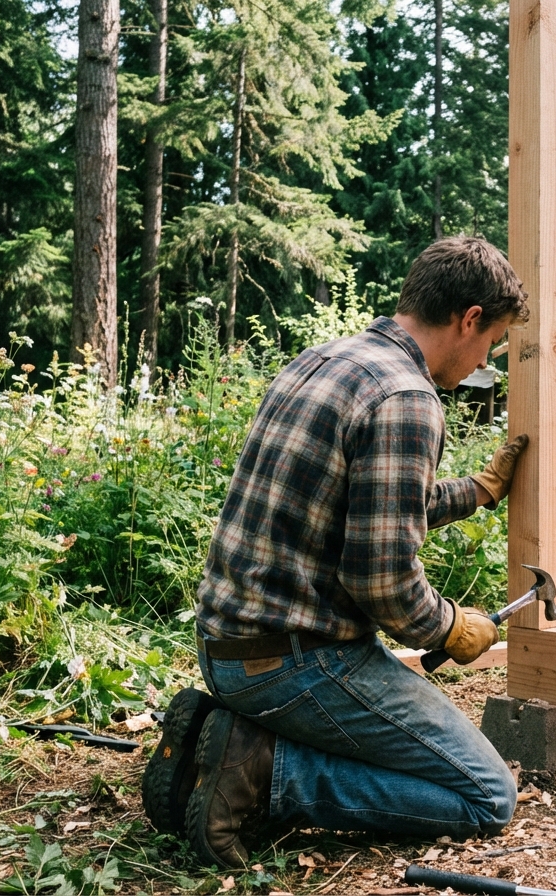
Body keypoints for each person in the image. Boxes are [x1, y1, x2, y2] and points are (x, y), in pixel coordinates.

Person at [142, 236, 531, 868]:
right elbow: (383, 585)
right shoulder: (408, 397)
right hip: (292, 663)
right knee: (487, 797)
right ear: (469, 320)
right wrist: (453, 626)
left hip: (227, 651)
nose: (488, 359)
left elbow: (369, 506)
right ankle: (264, 774)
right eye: (492, 344)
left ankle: (231, 746)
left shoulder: (326, 359)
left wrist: (478, 492)